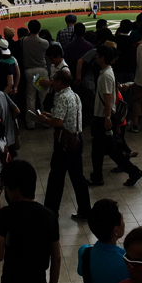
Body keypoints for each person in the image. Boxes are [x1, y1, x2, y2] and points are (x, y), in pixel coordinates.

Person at [38, 68, 91, 221]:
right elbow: (66, 116)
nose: (52, 83)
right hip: (76, 140)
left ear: (60, 82)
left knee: (56, 178)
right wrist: (49, 115)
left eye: (54, 81)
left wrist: (44, 120)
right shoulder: (74, 95)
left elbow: (58, 122)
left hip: (64, 144)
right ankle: (85, 210)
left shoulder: (61, 97)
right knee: (78, 178)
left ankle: (50, 211)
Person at [89, 46, 142, 187]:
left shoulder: (106, 75)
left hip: (103, 117)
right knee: (106, 150)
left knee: (104, 150)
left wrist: (107, 118)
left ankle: (132, 172)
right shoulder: (108, 72)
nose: (96, 57)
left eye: (98, 55)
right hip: (104, 116)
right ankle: (98, 176)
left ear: (102, 57)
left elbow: (107, 98)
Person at [22, 20, 49, 129]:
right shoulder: (44, 42)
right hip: (42, 70)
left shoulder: (24, 40)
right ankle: (46, 121)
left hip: (29, 71)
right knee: (44, 97)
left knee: (30, 98)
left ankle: (30, 123)